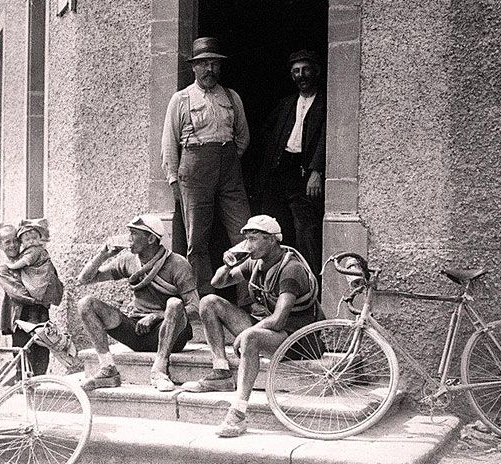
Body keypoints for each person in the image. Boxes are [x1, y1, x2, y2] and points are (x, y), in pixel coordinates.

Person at [181, 215, 322, 438]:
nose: (248, 245)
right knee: (209, 302)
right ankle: (221, 371)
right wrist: (228, 265)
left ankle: (237, 414)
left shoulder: (291, 269)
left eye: (254, 239)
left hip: (299, 338)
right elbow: (218, 283)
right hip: (273, 331)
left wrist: (247, 332)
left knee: (251, 338)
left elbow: (277, 320)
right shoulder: (256, 263)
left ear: (272, 240)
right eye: (246, 239)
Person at [161, 36, 252, 297]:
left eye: (214, 64)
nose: (209, 69)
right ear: (194, 67)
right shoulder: (181, 99)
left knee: (244, 232)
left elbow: (242, 136)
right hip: (194, 170)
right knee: (196, 240)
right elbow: (169, 142)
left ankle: (249, 298)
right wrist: (173, 180)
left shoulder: (231, 97)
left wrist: (227, 159)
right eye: (203, 64)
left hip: (228, 169)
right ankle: (201, 299)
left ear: (220, 67)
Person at [77, 214, 199, 392]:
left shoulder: (178, 264)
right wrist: (103, 254)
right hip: (136, 330)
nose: (129, 238)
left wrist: (156, 316)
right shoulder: (128, 260)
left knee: (174, 303)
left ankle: (159, 370)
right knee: (86, 303)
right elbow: (84, 279)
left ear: (151, 238)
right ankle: (108, 369)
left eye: (134, 233)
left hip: (170, 334)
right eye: (129, 233)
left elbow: (195, 309)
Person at [259, 49, 325, 280]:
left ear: (316, 71)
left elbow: (328, 136)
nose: (301, 75)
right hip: (280, 170)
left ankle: (308, 284)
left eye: (306, 69)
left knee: (305, 230)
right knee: (275, 231)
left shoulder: (325, 102)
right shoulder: (287, 103)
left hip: (304, 173)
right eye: (296, 71)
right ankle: (277, 284)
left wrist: (316, 170)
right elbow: (268, 131)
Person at [0, 224, 50, 378]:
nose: (13, 245)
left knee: (42, 353)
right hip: (20, 318)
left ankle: (41, 389)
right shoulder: (4, 269)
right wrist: (39, 297)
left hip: (41, 314)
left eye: (15, 241)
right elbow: (17, 293)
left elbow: (51, 278)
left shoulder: (33, 257)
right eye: (7, 242)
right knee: (23, 355)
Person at [4, 218, 63, 308]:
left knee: (37, 291)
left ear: (39, 238)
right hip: (42, 280)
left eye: (34, 238)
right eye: (27, 240)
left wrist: (12, 266)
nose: (31, 241)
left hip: (40, 278)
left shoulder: (34, 250)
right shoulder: (31, 250)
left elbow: (24, 262)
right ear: (22, 242)